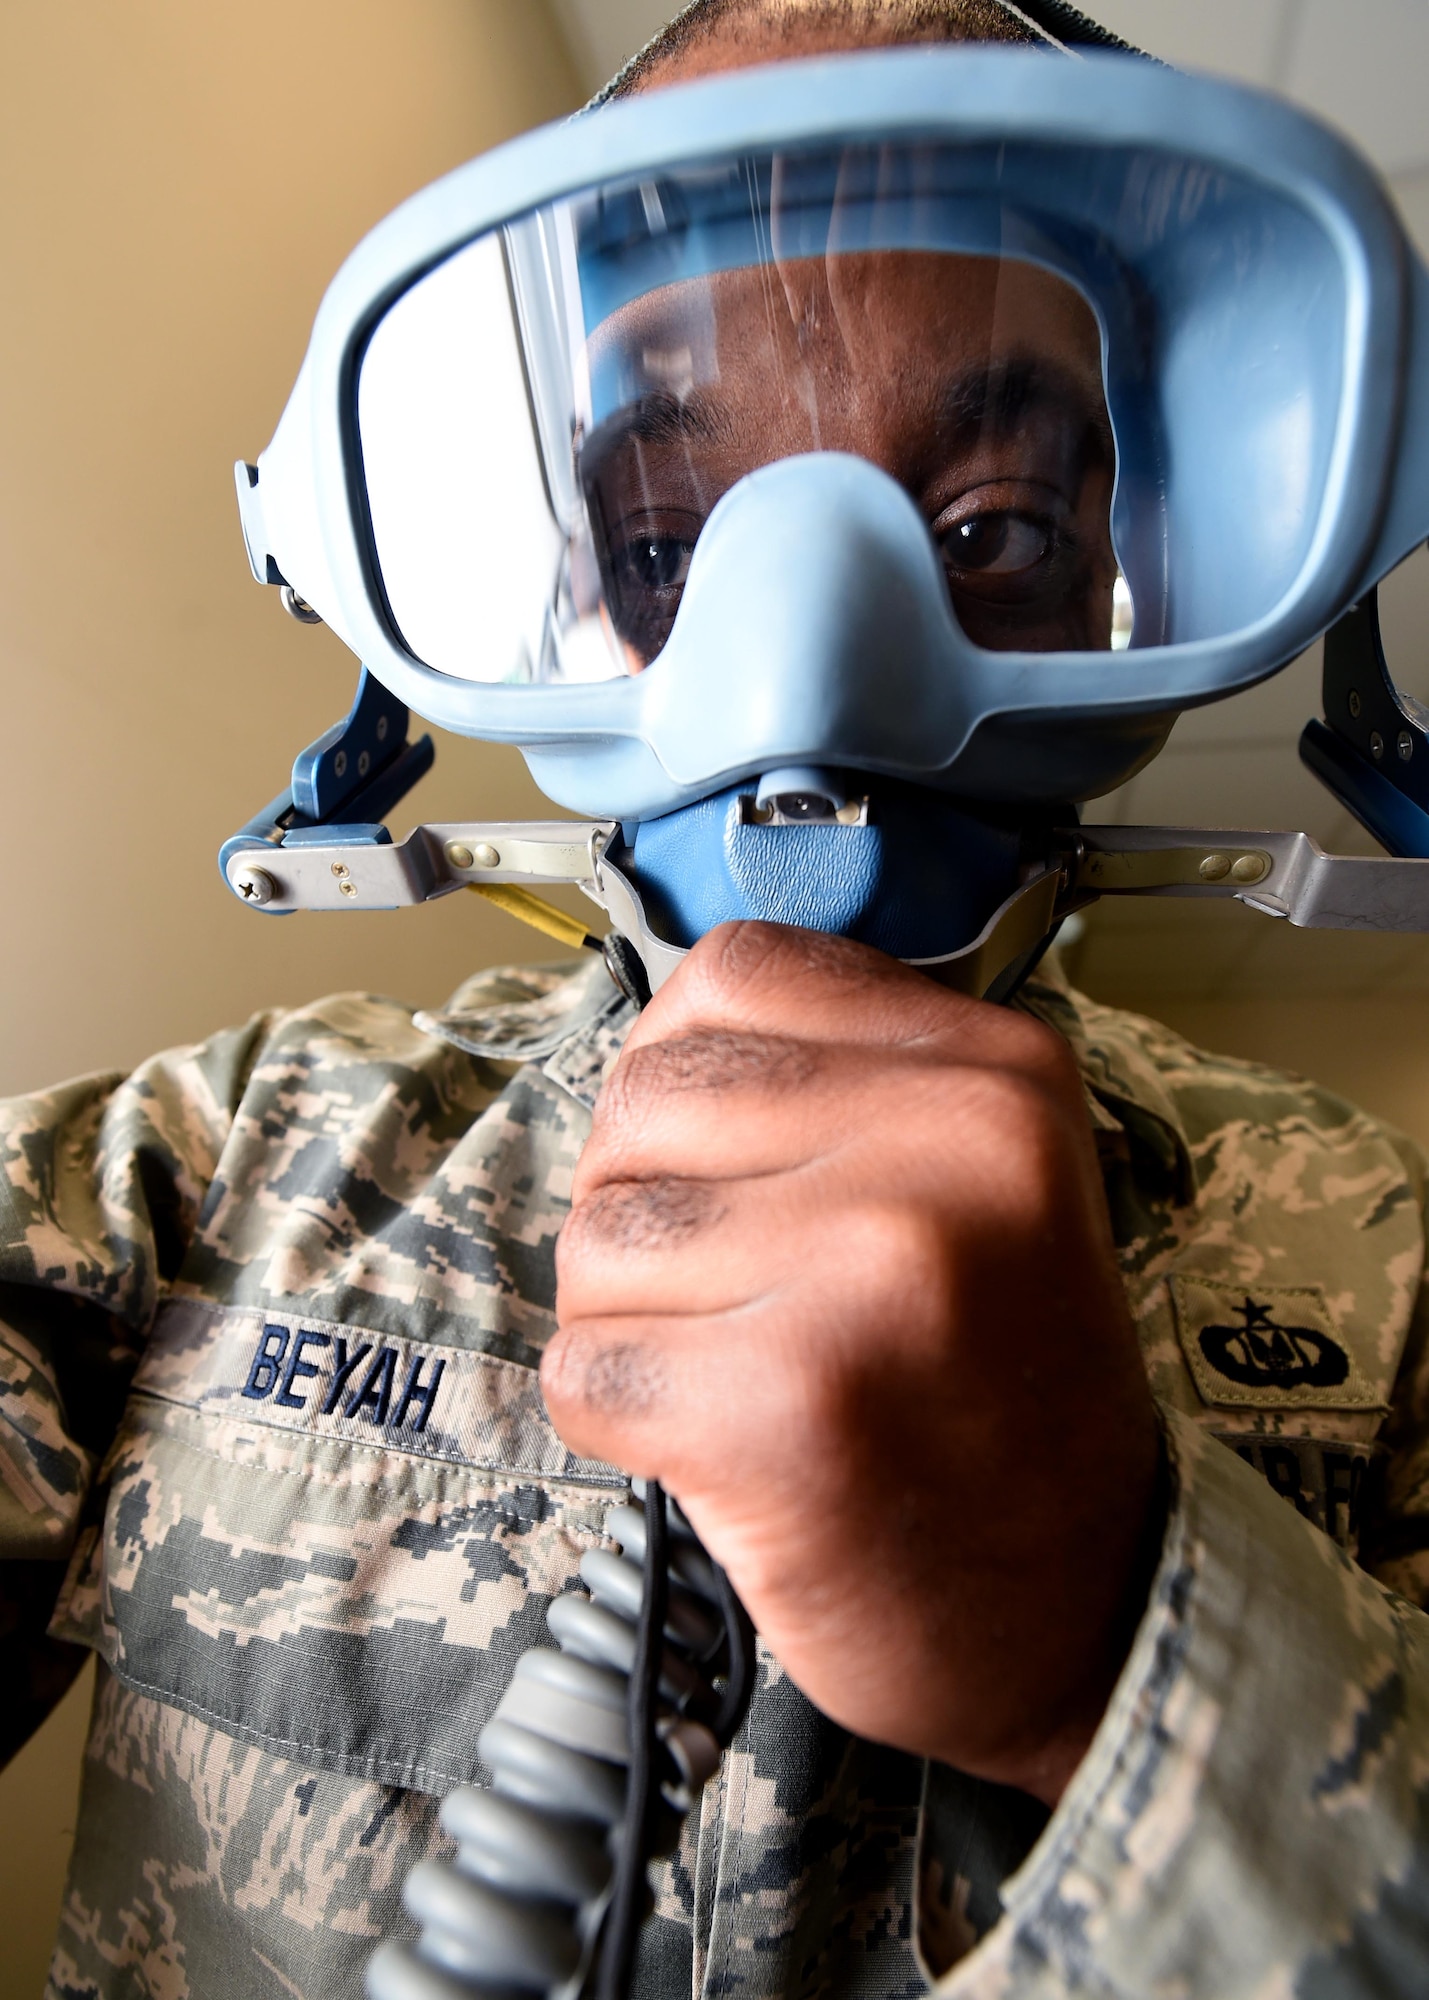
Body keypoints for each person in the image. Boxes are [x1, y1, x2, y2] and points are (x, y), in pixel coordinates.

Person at [5, 2, 1429, 1995]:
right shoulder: (207, 1164)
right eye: (667, 539)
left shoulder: (1388, 1261)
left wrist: (1128, 1651)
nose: (808, 663)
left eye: (995, 532)